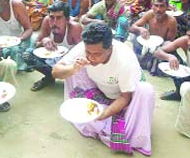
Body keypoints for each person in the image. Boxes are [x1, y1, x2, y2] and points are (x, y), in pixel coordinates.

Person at [52, 22, 154, 156]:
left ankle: (128, 131)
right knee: (70, 72)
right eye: (88, 52)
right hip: (100, 91)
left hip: (125, 99)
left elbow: (125, 97)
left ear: (110, 48)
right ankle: (107, 127)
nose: (90, 58)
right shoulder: (85, 48)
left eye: (97, 54)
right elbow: (56, 72)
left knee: (145, 90)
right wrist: (73, 68)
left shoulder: (125, 61)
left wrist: (102, 115)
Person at [24, 2, 83, 91]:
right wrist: (44, 40)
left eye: (59, 18)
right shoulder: (47, 21)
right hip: (51, 59)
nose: (54, 22)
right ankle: (50, 77)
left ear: (67, 19)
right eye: (52, 17)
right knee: (28, 54)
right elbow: (36, 44)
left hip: (69, 62)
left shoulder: (75, 28)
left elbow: (83, 53)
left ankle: (71, 82)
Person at [154, 19, 190, 101]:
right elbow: (157, 52)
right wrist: (169, 57)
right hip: (188, 75)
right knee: (169, 52)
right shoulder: (184, 41)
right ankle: (178, 92)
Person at [130, 0, 178, 71]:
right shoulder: (150, 14)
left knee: (167, 48)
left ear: (167, 7)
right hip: (148, 43)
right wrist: (140, 29)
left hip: (160, 47)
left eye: (162, 6)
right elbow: (132, 28)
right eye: (156, 5)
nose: (158, 9)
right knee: (134, 37)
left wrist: (159, 50)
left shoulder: (172, 21)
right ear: (152, 6)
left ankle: (148, 62)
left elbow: (170, 43)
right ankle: (141, 60)